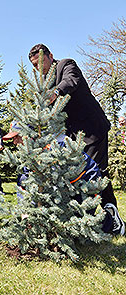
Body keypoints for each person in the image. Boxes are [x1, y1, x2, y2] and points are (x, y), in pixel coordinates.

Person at [29, 43, 125, 235]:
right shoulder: (44, 84)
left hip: (92, 130)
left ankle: (104, 220)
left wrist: (55, 93)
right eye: (35, 66)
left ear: (50, 55)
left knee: (93, 173)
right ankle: (105, 215)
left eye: (41, 62)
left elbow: (71, 82)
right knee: (89, 174)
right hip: (73, 137)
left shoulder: (66, 65)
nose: (40, 68)